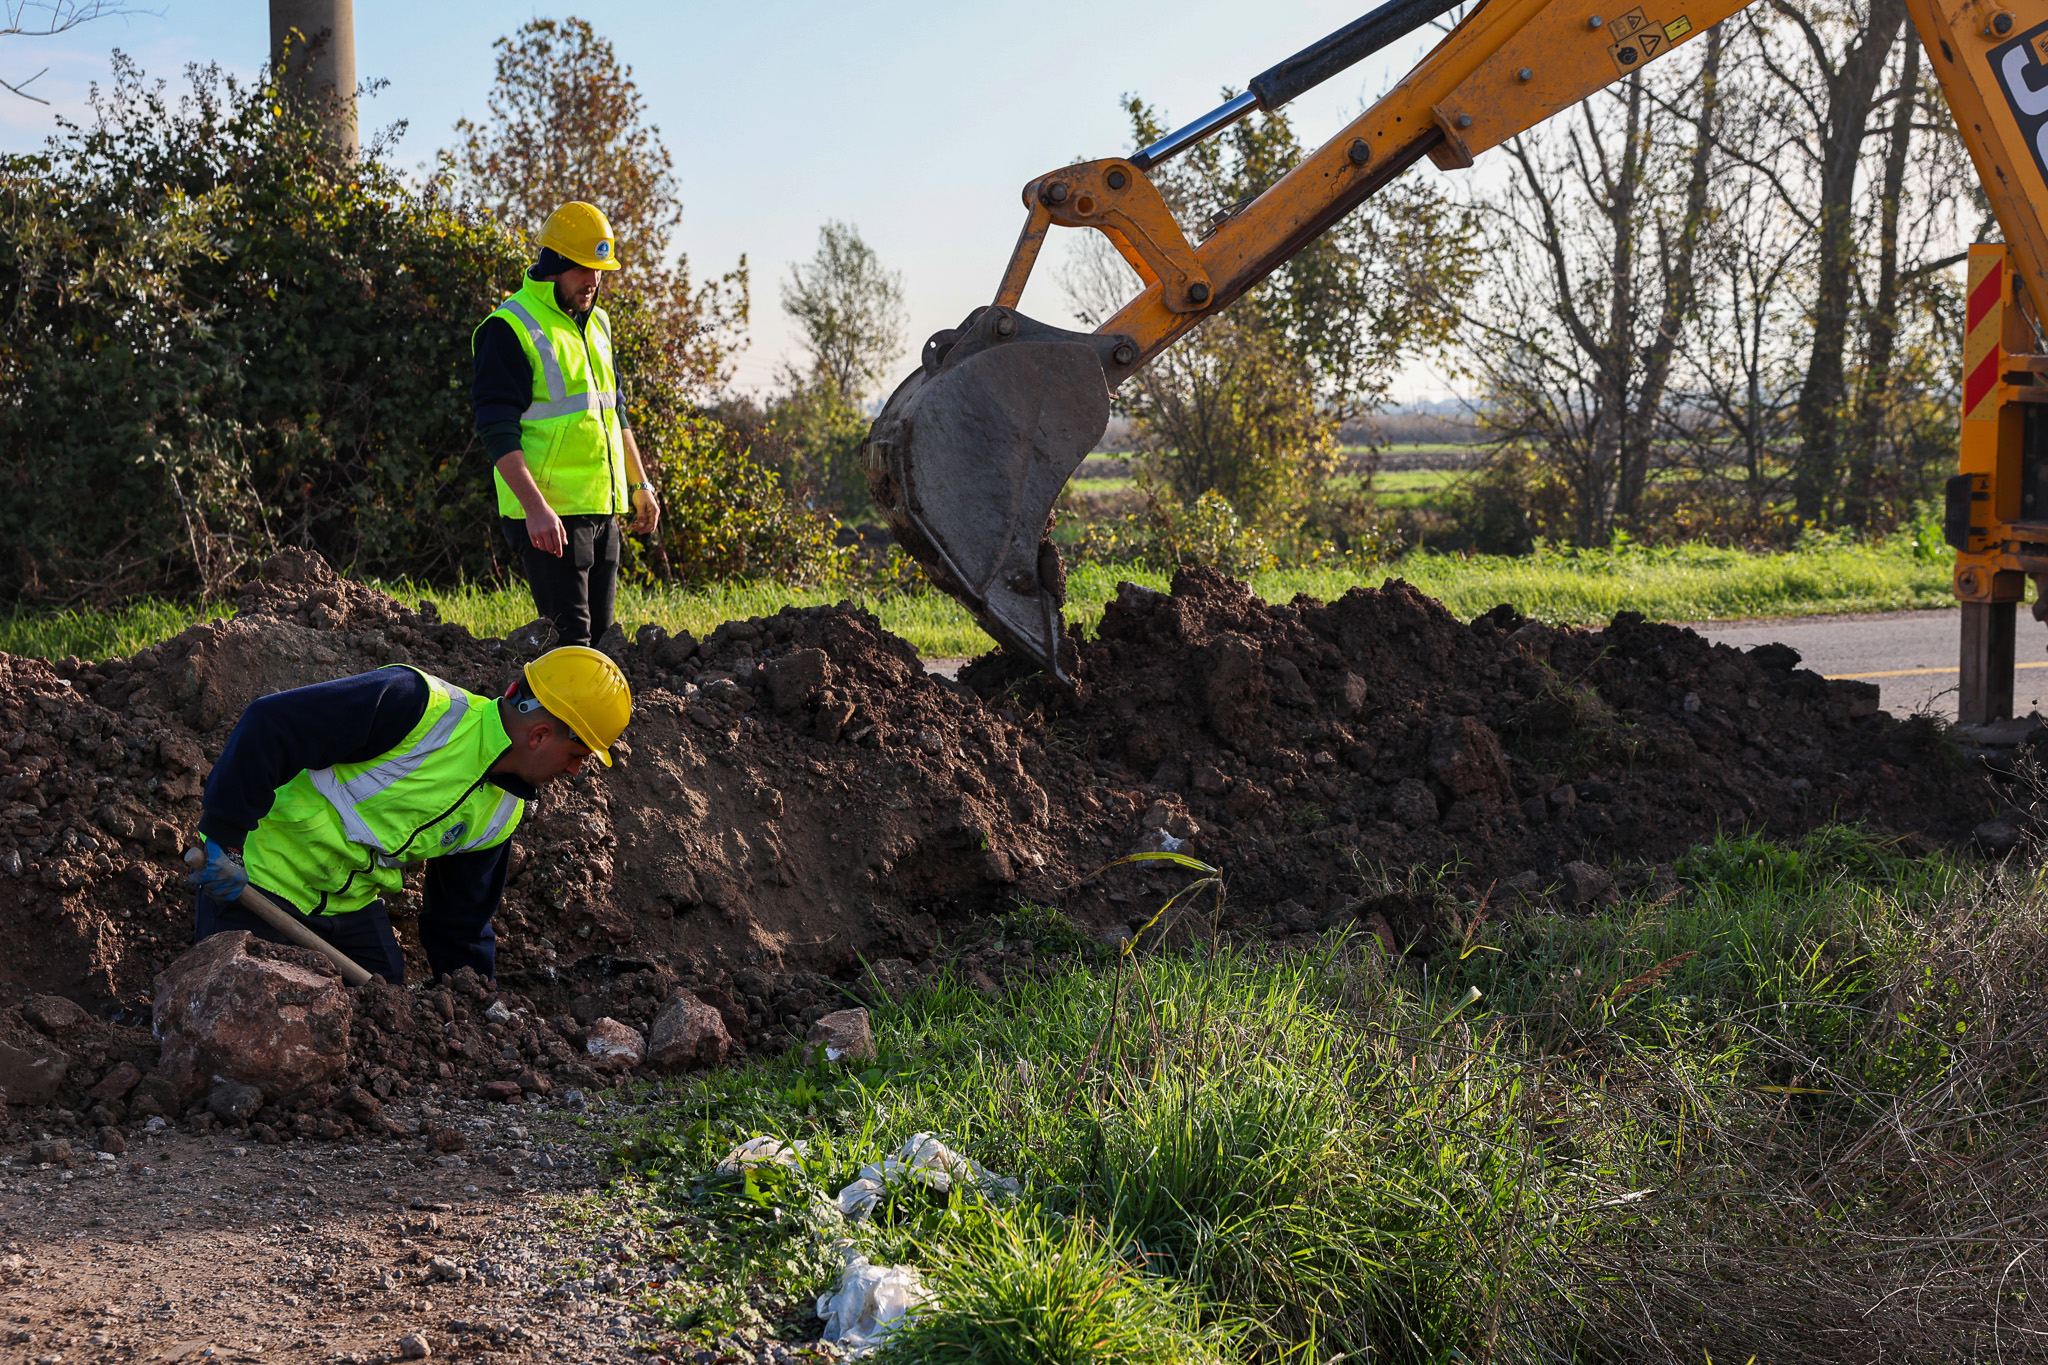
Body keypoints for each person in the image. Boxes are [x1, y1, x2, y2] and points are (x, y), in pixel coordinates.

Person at [186, 647, 633, 984]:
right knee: (242, 1006)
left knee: (389, 1012)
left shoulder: (502, 812)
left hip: (349, 907)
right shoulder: (415, 705)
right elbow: (271, 724)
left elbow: (459, 923)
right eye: (577, 754)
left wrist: (470, 1000)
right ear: (539, 734)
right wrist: (224, 840)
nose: (574, 770)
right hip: (258, 883)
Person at [472, 201, 660, 648]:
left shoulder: (598, 324)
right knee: (570, 644)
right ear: (555, 264)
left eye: (600, 271)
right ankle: (550, 719)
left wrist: (641, 485)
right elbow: (496, 429)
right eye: (584, 270)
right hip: (549, 516)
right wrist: (535, 508)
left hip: (600, 510)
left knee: (600, 639)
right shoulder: (509, 327)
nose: (594, 282)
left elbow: (616, 412)